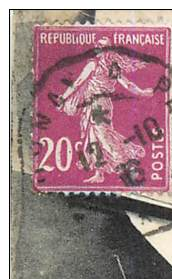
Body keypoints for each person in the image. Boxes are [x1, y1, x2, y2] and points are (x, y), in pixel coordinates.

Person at [57, 37, 154, 183]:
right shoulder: (107, 66)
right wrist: (141, 91)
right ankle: (99, 173)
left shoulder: (99, 65)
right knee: (92, 138)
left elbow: (77, 83)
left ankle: (124, 162)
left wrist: (63, 98)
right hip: (95, 103)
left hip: (99, 104)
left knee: (103, 135)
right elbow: (127, 84)